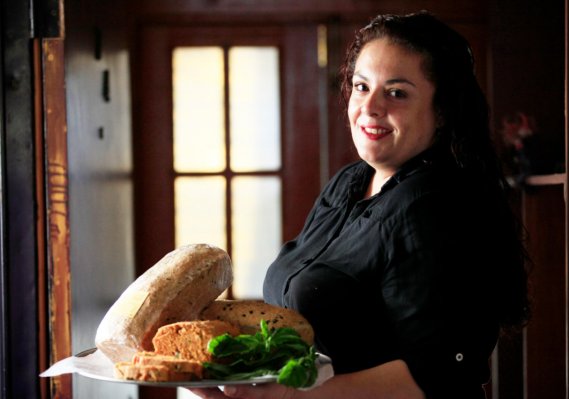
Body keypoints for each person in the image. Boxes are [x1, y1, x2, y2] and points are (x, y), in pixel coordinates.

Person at [190, 10, 530, 399]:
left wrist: (286, 396)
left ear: (442, 111)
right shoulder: (350, 183)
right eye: (361, 86)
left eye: (397, 93)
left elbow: (436, 375)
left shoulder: (434, 206)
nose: (369, 107)